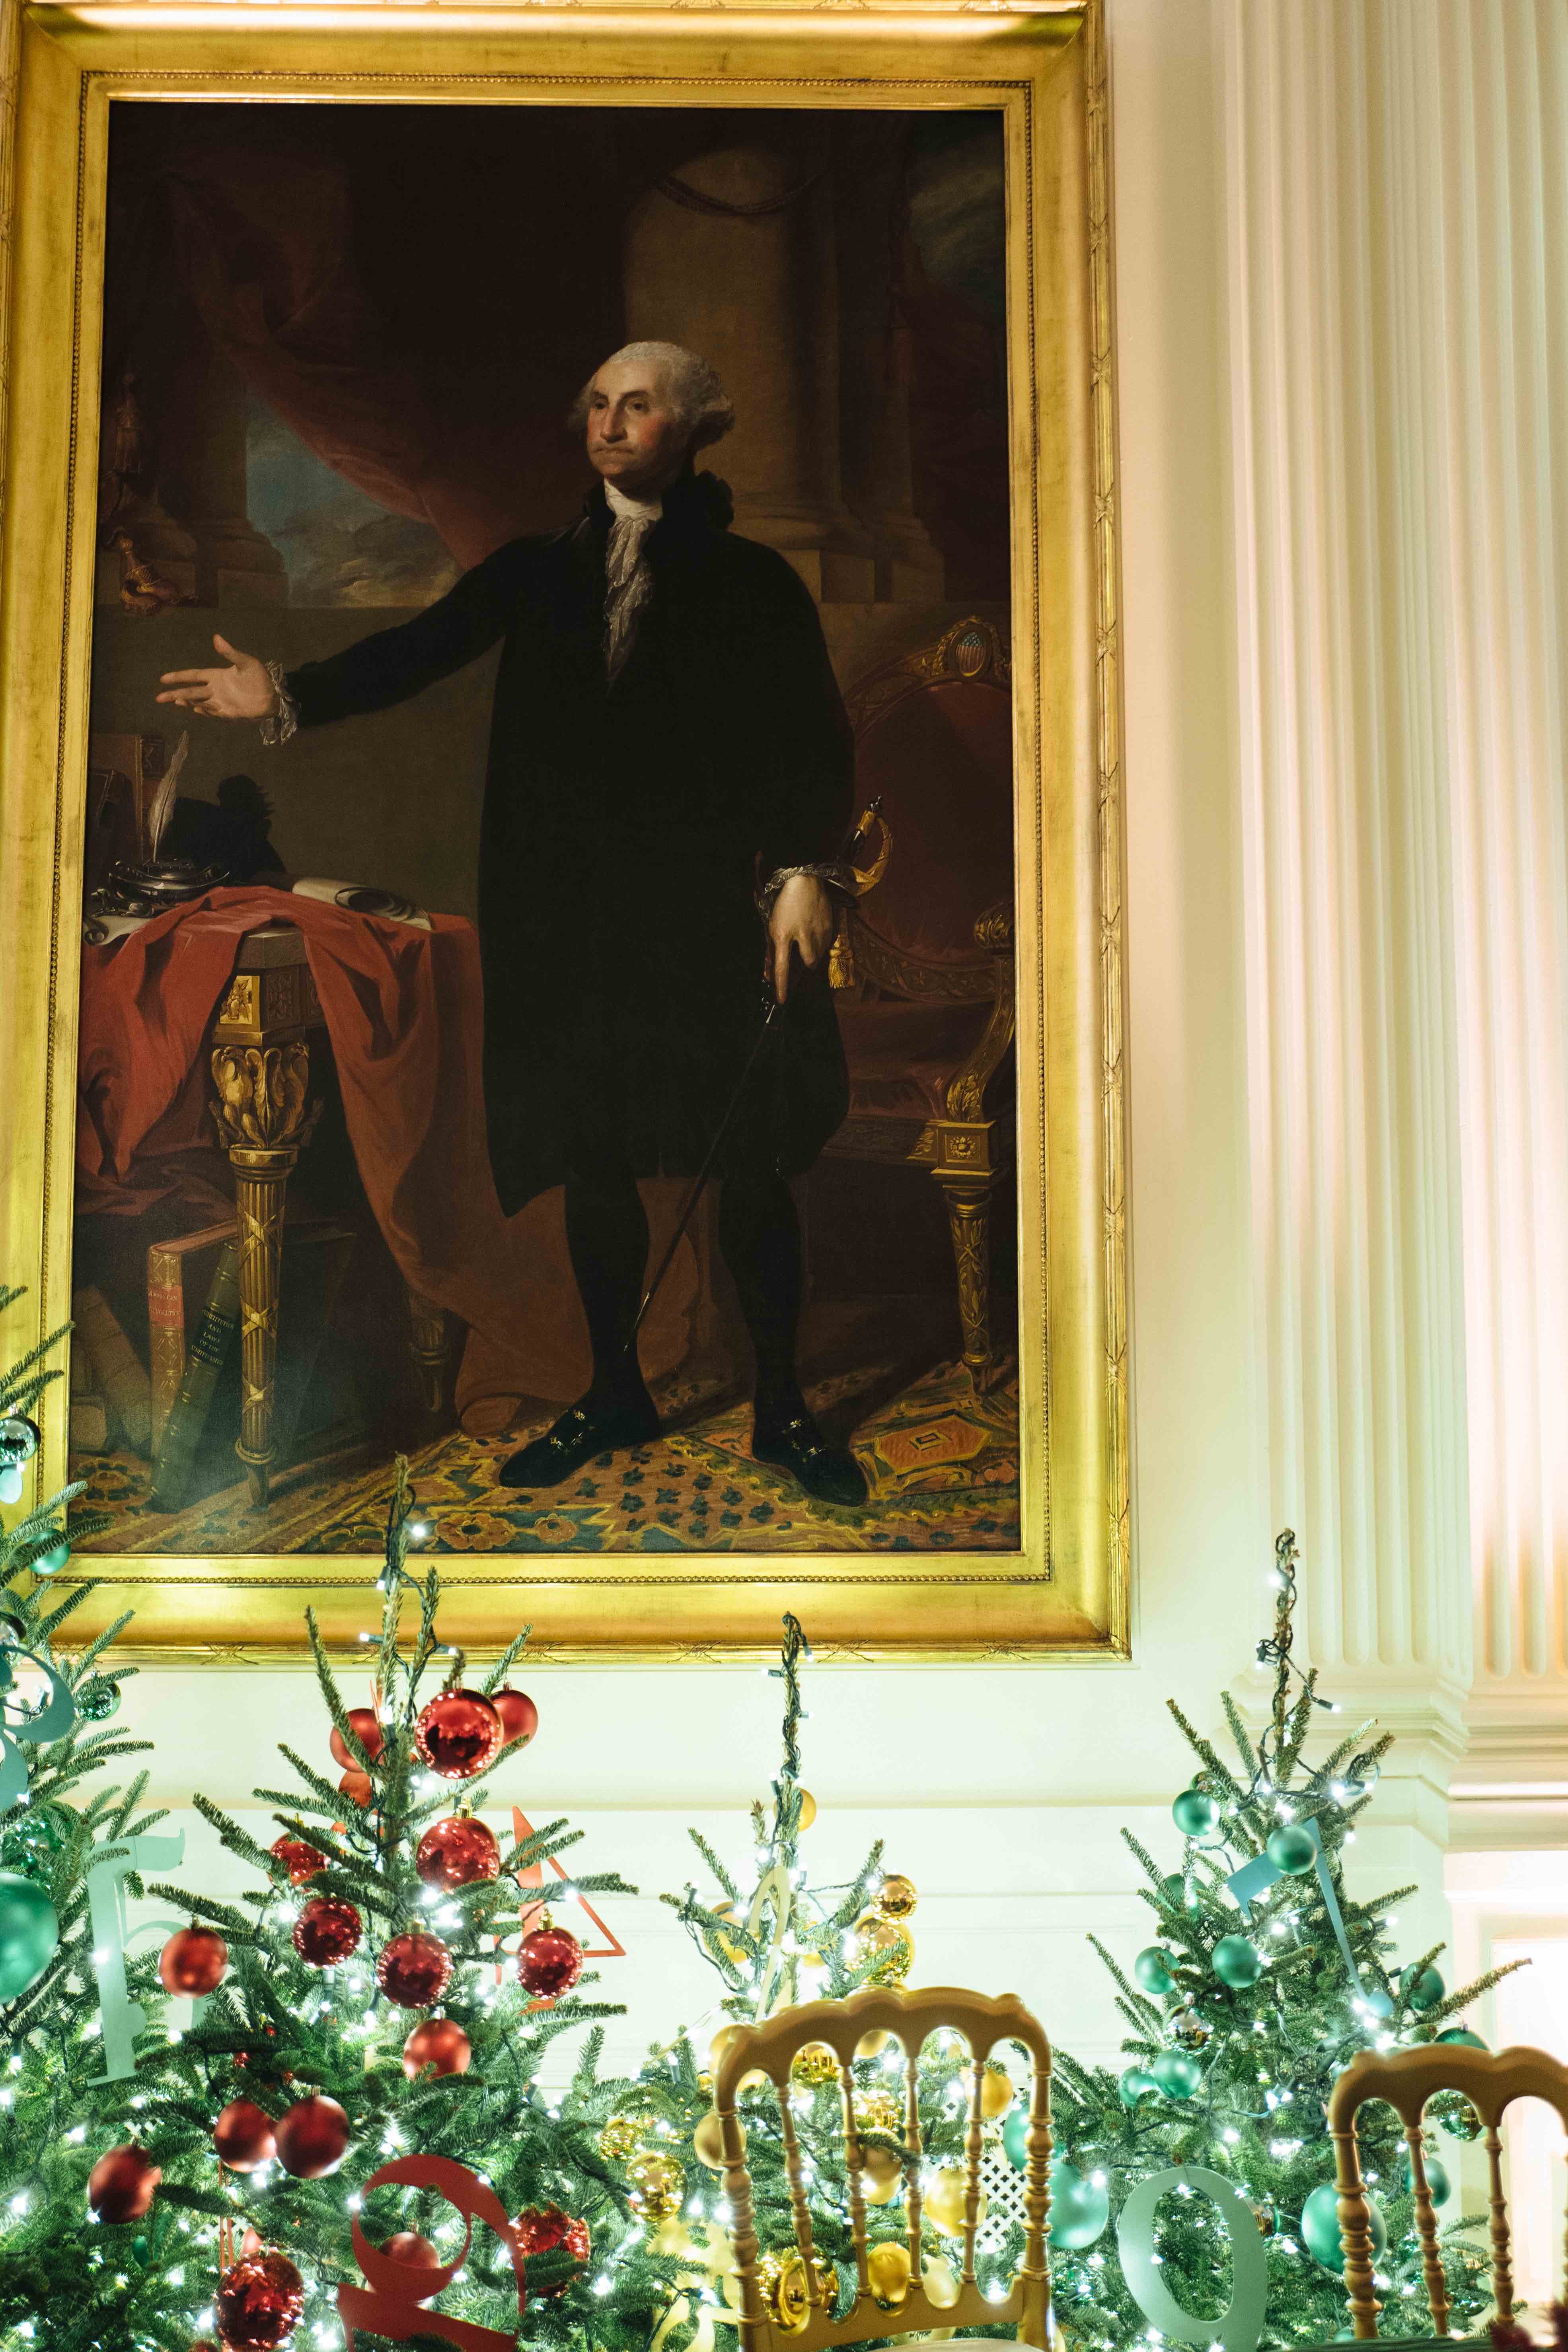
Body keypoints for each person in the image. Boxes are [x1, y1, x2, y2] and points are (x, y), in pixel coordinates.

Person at [157, 341, 869, 1507]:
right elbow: (418, 651)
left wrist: (803, 871)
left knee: (747, 1164)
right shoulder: (537, 571)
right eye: (595, 403)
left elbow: (809, 736)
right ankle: (614, 1389)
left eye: (635, 405)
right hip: (571, 925)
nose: (607, 422)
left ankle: (784, 1407)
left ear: (690, 428)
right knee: (592, 1163)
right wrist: (282, 693)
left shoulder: (755, 582)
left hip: (706, 917)